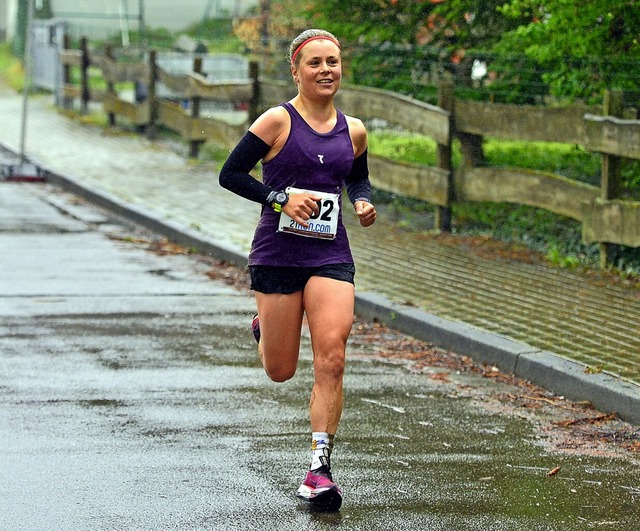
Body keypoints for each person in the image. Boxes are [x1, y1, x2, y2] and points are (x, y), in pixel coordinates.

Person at [219, 28, 376, 511]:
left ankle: (320, 470)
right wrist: (279, 197)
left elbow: (358, 177)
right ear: (296, 69)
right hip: (277, 255)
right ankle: (265, 329)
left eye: (333, 61)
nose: (326, 70)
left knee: (332, 356)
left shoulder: (355, 130)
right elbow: (230, 174)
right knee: (281, 370)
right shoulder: (276, 121)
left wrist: (364, 201)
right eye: (315, 63)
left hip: (330, 257)